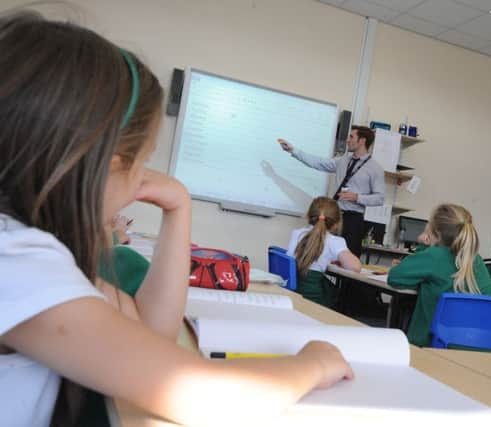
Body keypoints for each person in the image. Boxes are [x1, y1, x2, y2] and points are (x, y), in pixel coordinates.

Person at [0, 12, 352, 427]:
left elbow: (151, 332)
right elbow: (201, 397)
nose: (145, 178)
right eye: (143, 162)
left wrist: (179, 206)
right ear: (106, 168)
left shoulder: (31, 251)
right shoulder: (17, 261)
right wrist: (313, 365)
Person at [387, 204, 491, 347]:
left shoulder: (433, 255)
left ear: (435, 231)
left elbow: (394, 277)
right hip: (471, 346)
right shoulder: (476, 260)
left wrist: (424, 246)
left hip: (430, 346)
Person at [278, 125, 385, 258]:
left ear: (362, 141)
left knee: (347, 260)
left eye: (351, 137)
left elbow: (380, 198)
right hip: (334, 217)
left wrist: (357, 197)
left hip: (353, 220)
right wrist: (293, 150)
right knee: (323, 256)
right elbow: (319, 163)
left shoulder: (375, 169)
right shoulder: (344, 160)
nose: (347, 140)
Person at [287, 197, 361, 307]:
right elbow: (355, 267)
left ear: (308, 215)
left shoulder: (297, 233)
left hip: (291, 295)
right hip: (313, 299)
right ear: (336, 224)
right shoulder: (335, 241)